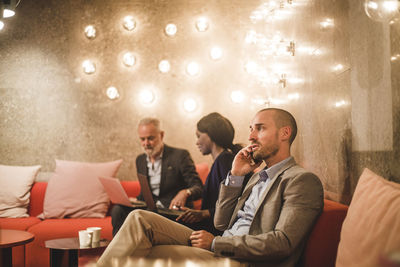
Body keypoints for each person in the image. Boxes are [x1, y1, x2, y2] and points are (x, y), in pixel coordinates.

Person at [98, 108, 324, 267]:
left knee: (141, 255)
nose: (251, 136)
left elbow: (282, 243)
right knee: (139, 218)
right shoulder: (256, 177)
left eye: (260, 129)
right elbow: (221, 222)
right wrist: (235, 175)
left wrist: (216, 242)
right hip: (222, 246)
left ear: (285, 133)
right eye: (250, 129)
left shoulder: (300, 180)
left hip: (243, 260)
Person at [110, 117, 203, 236]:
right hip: (151, 210)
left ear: (161, 135)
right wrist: (135, 201)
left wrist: (186, 192)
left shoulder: (180, 156)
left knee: (145, 217)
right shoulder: (140, 160)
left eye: (150, 138)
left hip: (171, 212)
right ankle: (119, 250)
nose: (146, 143)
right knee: (118, 210)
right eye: (142, 139)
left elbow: (198, 187)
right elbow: (146, 194)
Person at [176, 112, 242, 235]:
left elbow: (234, 202)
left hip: (215, 232)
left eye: (198, 136)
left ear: (211, 135)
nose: (197, 142)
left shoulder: (225, 160)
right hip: (209, 227)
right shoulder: (222, 161)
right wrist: (197, 213)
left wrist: (204, 214)